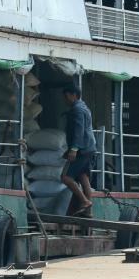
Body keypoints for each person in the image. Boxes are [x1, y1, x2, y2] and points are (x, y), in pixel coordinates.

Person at [61, 85, 96, 217]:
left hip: (81, 149)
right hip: (89, 148)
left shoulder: (77, 110)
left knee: (65, 177)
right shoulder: (84, 107)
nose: (65, 100)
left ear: (73, 95)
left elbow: (78, 130)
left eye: (66, 96)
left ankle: (85, 202)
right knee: (83, 176)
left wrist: (74, 149)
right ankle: (88, 211)